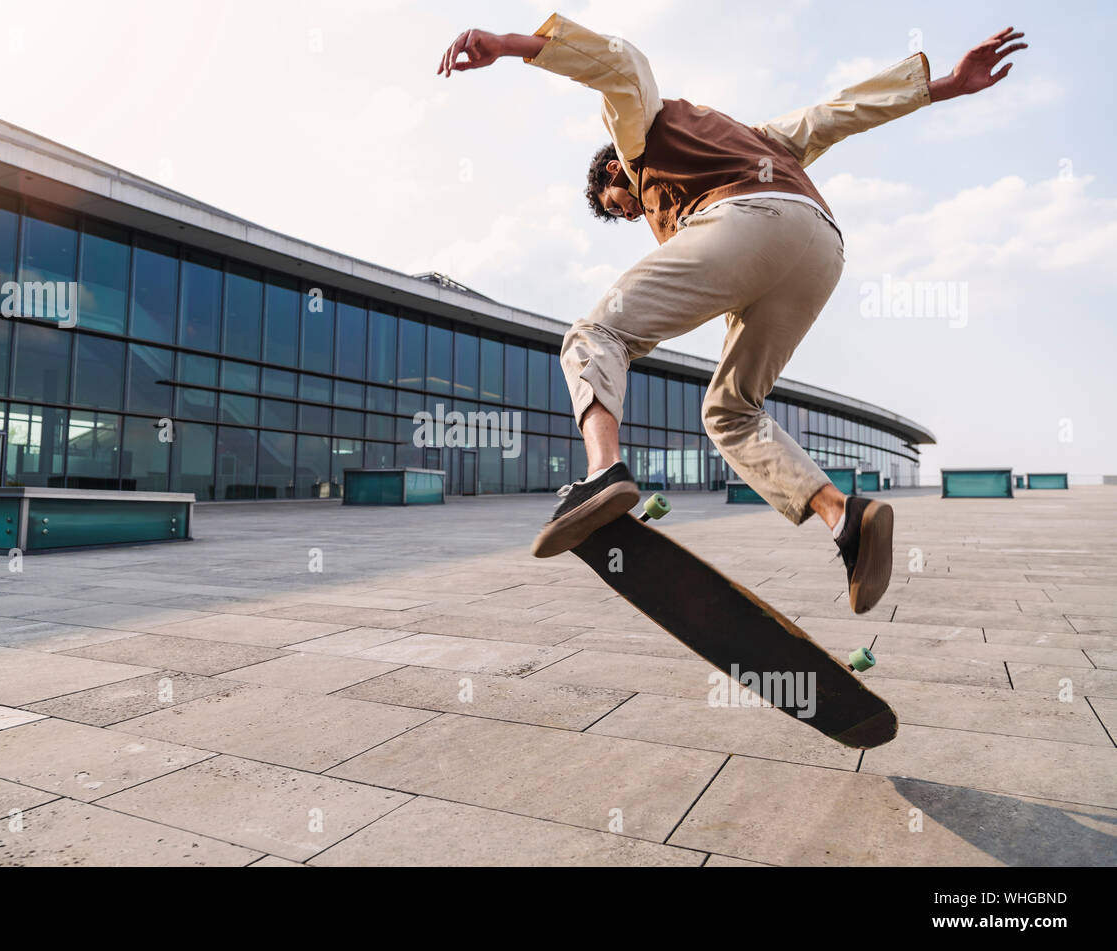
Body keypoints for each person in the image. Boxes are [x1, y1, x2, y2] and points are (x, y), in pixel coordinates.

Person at [437, 14, 1025, 613]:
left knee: (594, 333)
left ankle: (603, 472)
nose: (639, 219)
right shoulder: (755, 137)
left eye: (623, 209)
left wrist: (508, 46)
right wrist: (945, 84)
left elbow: (624, 66)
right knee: (730, 411)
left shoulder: (635, 143)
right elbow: (836, 113)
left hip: (747, 221)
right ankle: (845, 519)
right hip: (819, 246)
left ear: (613, 170)